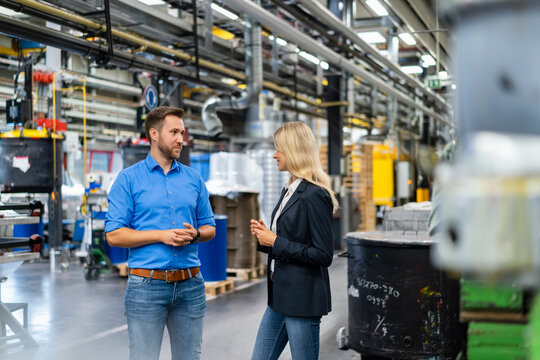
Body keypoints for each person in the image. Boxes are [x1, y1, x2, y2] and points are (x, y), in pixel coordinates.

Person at [105, 106, 216, 360]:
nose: (181, 139)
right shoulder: (128, 179)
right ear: (154, 134)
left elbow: (210, 227)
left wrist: (196, 234)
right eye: (174, 132)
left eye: (183, 133)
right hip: (146, 287)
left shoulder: (193, 179)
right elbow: (114, 235)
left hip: (191, 286)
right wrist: (161, 235)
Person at [250, 121, 338, 360]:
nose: (274, 155)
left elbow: (323, 254)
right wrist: (264, 237)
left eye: (279, 149)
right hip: (279, 297)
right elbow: (287, 239)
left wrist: (275, 241)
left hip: (302, 300)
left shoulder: (315, 194)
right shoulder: (289, 189)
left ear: (295, 151)